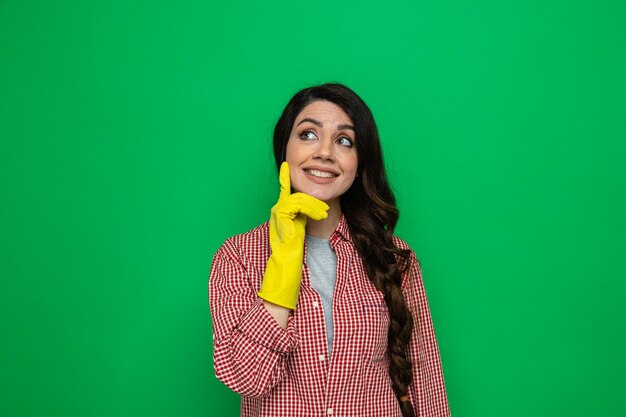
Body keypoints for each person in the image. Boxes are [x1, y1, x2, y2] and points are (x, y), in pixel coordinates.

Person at [209, 83, 450, 417]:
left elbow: (424, 378)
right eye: (308, 134)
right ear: (285, 150)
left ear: (359, 162)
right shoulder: (238, 256)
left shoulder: (393, 255)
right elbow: (247, 377)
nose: (324, 152)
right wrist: (284, 263)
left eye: (344, 141)